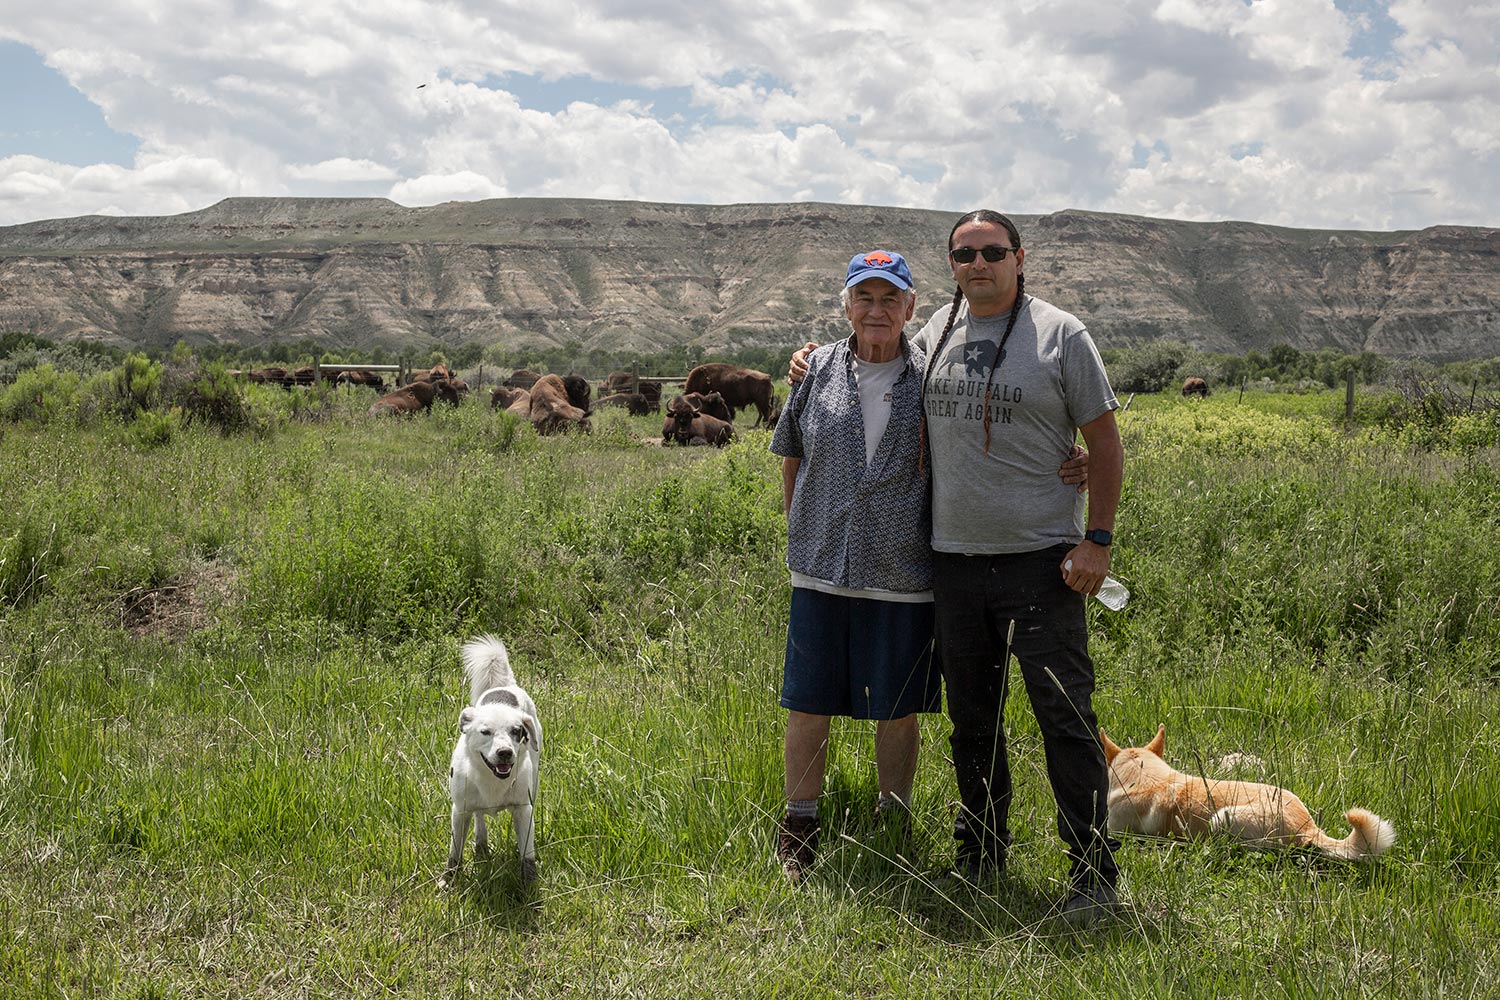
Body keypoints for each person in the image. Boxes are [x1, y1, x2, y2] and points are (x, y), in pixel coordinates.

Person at [789, 211, 1123, 923]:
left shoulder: (1063, 334)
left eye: (992, 251)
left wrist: (1096, 536)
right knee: (972, 721)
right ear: (951, 266)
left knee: (1063, 716)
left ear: (1018, 257)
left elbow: (1104, 440)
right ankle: (980, 852)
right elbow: (863, 359)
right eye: (964, 253)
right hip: (951, 564)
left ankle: (1093, 874)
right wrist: (806, 359)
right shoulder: (935, 332)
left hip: (1041, 562)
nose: (978, 262)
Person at [768, 249, 942, 884]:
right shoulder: (816, 372)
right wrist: (803, 525)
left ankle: (892, 821)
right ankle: (800, 823)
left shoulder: (933, 379)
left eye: (889, 299)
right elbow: (791, 453)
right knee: (809, 699)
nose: (876, 311)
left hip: (901, 570)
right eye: (864, 298)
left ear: (910, 308)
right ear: (846, 305)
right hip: (821, 564)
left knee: (897, 705)